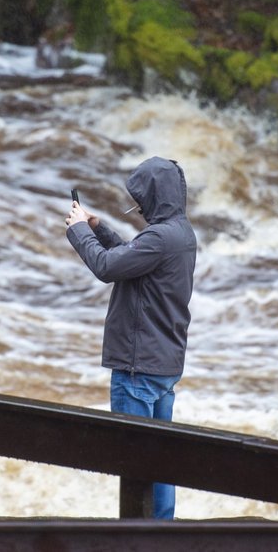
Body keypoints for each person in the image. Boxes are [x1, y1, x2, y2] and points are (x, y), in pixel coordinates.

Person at [64, 157, 197, 520]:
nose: (136, 206)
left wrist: (77, 231)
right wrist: (97, 226)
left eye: (139, 199)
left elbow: (107, 267)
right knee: (160, 459)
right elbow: (132, 258)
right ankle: (162, 531)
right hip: (163, 364)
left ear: (152, 197)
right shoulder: (180, 233)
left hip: (137, 368)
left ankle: (139, 537)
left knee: (136, 461)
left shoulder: (159, 237)